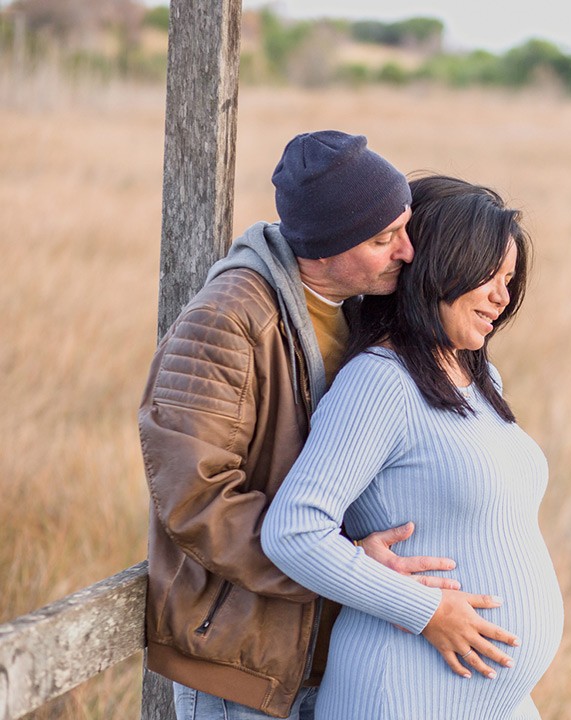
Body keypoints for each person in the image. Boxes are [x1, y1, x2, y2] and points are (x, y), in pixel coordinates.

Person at [139, 131, 470, 720]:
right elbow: (196, 500)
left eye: (404, 227)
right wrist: (337, 564)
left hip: (329, 651)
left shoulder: (359, 309)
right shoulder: (226, 321)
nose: (407, 252)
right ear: (323, 247)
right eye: (383, 238)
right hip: (242, 662)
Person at [262, 174, 564, 719]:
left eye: (510, 279)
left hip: (486, 699)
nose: (503, 297)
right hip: (399, 692)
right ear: (438, 268)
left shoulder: (479, 375)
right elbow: (294, 531)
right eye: (488, 277)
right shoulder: (380, 381)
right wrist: (425, 610)